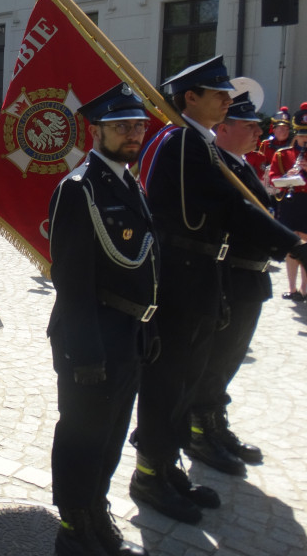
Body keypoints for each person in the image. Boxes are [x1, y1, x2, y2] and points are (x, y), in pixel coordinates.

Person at [131, 56, 307, 524]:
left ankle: (167, 468)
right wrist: (293, 244)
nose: (228, 102)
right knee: (168, 383)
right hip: (179, 279)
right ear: (191, 98)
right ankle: (149, 475)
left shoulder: (196, 142)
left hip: (201, 276)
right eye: (219, 95)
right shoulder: (183, 142)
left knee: (187, 379)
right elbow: (230, 207)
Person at [47, 83, 155, 556]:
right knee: (81, 432)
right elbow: (70, 280)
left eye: (138, 126)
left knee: (112, 432)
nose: (133, 134)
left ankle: (96, 505)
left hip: (128, 330)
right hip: (91, 331)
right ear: (97, 131)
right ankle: (73, 523)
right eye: (122, 127)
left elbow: (146, 262)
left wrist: (149, 326)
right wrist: (85, 351)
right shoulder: (79, 189)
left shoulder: (130, 182)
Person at [184, 91, 271, 478]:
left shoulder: (241, 166)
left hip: (250, 277)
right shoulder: (218, 167)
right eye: (248, 125)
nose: (258, 131)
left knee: (229, 359)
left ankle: (215, 423)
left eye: (257, 125)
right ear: (223, 129)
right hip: (231, 276)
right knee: (216, 361)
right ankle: (201, 431)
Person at [267, 104, 307, 301]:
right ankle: (292, 289)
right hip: (291, 204)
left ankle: (305, 288)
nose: (304, 139)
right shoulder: (282, 154)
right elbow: (273, 179)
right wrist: (287, 175)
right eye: (301, 135)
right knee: (293, 244)